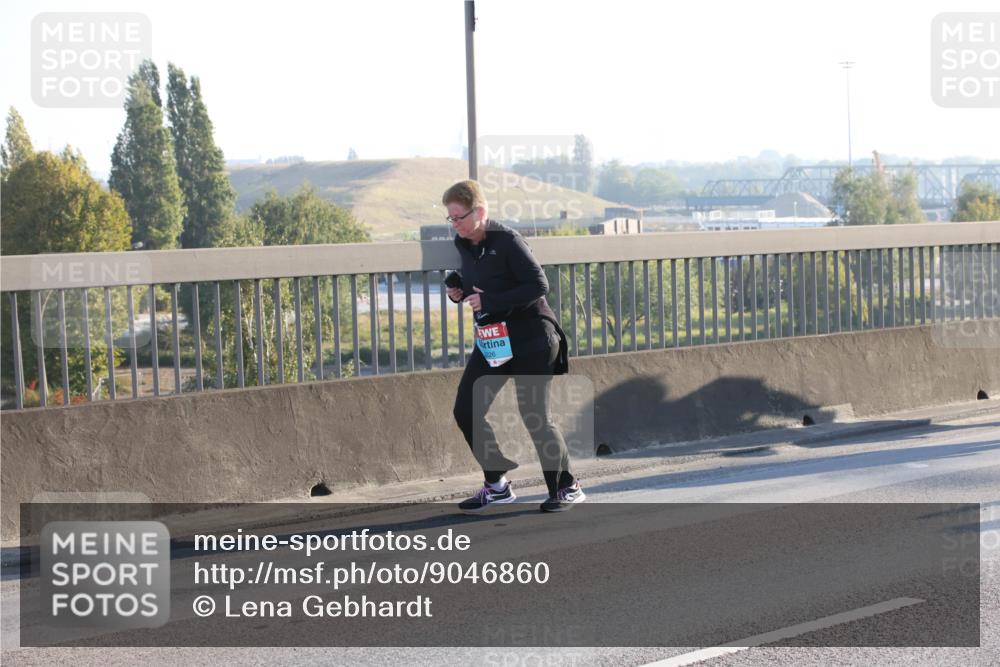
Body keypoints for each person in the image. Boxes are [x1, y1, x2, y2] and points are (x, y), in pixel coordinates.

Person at [442, 179, 585, 513]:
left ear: (480, 211)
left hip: (533, 337)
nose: (455, 224)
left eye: (459, 217)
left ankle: (567, 486)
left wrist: (488, 298)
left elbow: (538, 284)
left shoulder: (507, 240)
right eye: (450, 218)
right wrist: (458, 288)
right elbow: (484, 278)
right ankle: (497, 485)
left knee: (534, 415)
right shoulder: (463, 244)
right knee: (467, 408)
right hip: (494, 339)